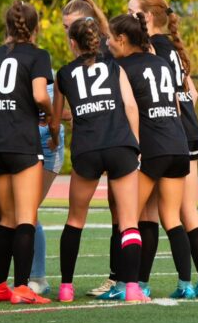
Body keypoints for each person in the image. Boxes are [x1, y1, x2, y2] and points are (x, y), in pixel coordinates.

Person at [51, 16, 146, 303]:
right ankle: (131, 288)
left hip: (87, 148)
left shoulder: (64, 75)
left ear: (72, 43)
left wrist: (55, 140)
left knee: (75, 219)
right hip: (119, 144)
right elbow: (130, 106)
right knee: (129, 221)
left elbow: (55, 122)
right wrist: (136, 145)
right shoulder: (114, 67)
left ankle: (66, 288)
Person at [129, 0, 198, 298]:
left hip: (168, 133)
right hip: (185, 131)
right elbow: (191, 93)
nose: (127, 15)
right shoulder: (174, 47)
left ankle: (144, 282)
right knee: (176, 211)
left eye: (131, 11)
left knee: (162, 213)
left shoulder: (151, 48)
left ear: (147, 17)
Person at [108, 11, 196, 298]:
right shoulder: (161, 63)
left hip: (152, 149)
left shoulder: (121, 68)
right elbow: (176, 105)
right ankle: (186, 284)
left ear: (122, 39)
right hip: (178, 144)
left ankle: (126, 284)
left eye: (110, 38)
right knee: (171, 217)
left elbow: (124, 109)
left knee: (128, 219)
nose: (107, 43)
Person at [0, 0, 54, 305]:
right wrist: (49, 113)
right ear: (35, 27)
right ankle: (23, 287)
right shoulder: (38, 55)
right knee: (26, 216)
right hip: (23, 141)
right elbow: (40, 94)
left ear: (7, 27)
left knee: (5, 218)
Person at [60, 0, 120, 297]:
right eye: (66, 26)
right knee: (116, 214)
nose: (69, 32)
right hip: (113, 142)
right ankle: (124, 282)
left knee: (116, 212)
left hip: (94, 144)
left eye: (72, 26)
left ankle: (111, 279)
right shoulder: (95, 62)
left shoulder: (110, 54)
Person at [27, 79, 65, 296]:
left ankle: (38, 277)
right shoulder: (17, 64)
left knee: (29, 210)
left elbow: (70, 110)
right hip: (23, 142)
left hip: (48, 144)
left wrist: (53, 121)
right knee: (15, 211)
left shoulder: (49, 73)